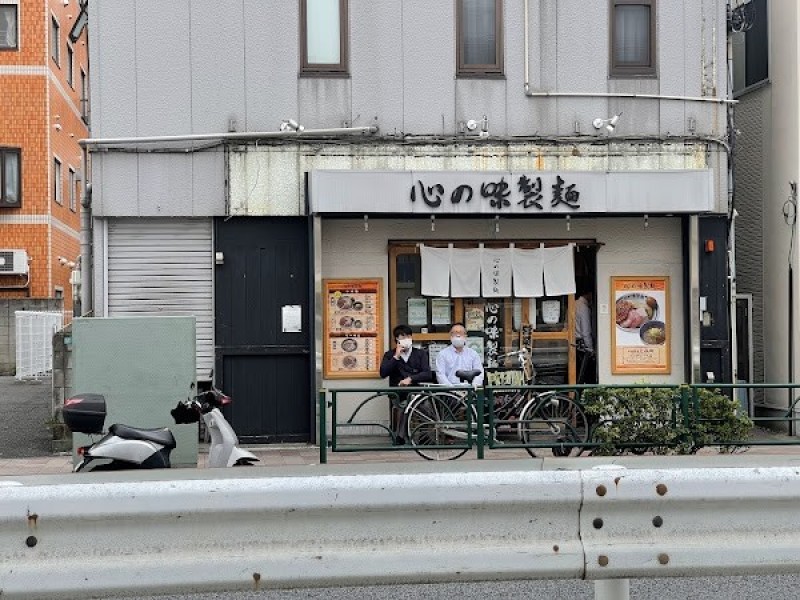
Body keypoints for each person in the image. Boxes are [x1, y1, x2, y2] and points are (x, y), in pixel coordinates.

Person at [379, 324, 432, 444]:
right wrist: (396, 356)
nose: (405, 339)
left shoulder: (420, 354)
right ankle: (402, 436)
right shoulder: (390, 355)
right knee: (405, 405)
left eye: (407, 336)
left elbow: (427, 374)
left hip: (418, 391)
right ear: (396, 339)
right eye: (401, 337)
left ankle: (422, 435)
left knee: (424, 405)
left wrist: (411, 379)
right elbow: (383, 373)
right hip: (399, 393)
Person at [575, 288, 596, 384]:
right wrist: (591, 349)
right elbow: (586, 332)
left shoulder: (573, 304)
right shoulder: (583, 308)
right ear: (589, 294)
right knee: (586, 375)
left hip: (573, 345)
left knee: (576, 375)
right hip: (581, 347)